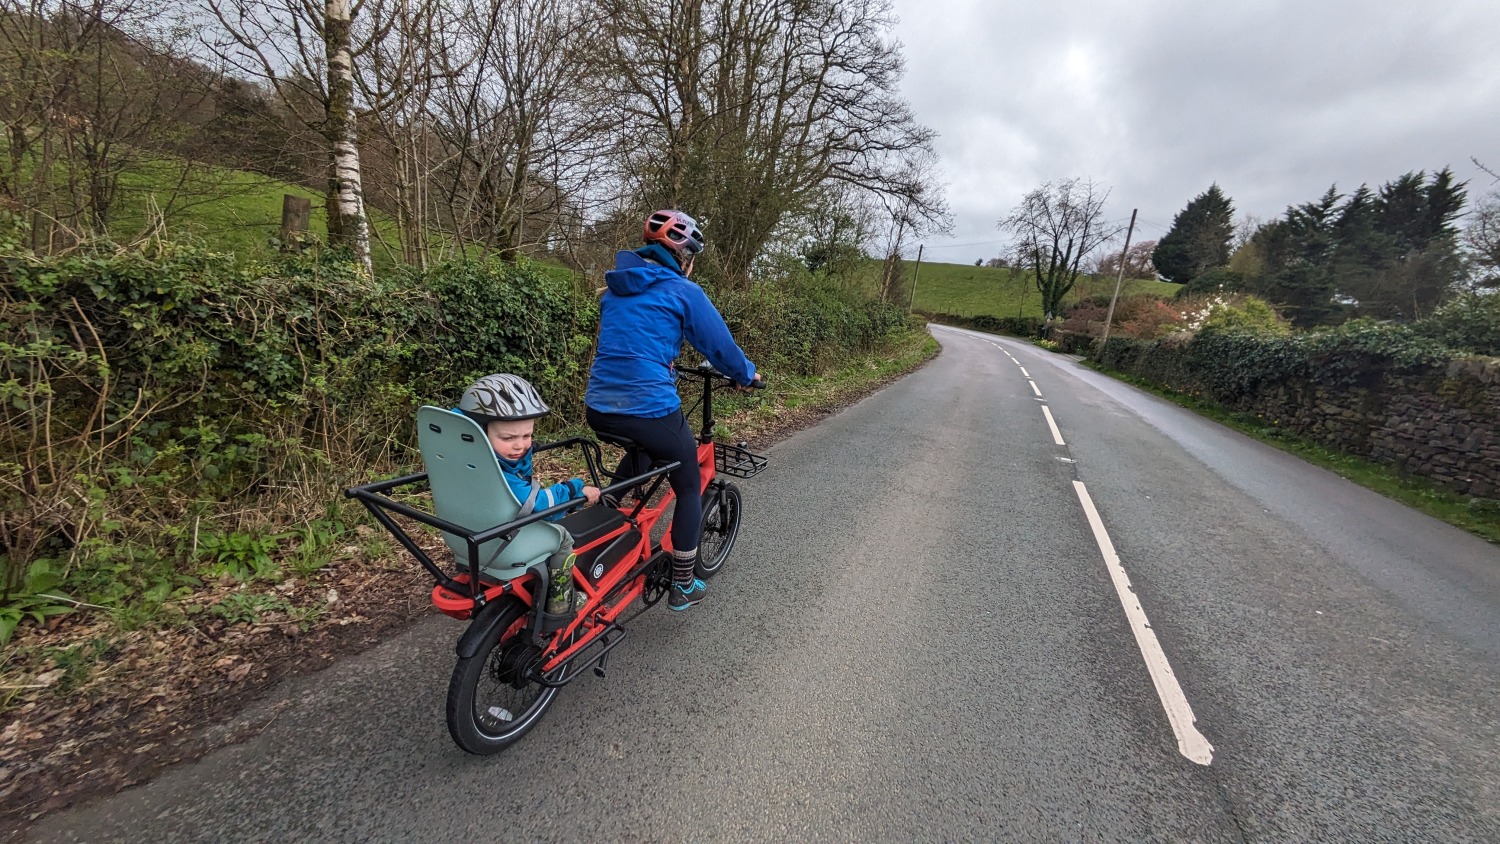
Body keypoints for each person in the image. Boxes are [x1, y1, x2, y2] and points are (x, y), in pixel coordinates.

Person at [585, 209, 760, 612]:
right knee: (686, 486)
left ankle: (601, 522)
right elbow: (719, 347)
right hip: (647, 406)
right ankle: (683, 584)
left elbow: (634, 342)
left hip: (599, 407)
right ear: (687, 259)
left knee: (643, 447)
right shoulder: (684, 292)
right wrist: (745, 375)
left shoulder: (614, 289)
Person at [458, 373, 600, 616]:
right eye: (508, 438)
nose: (520, 446)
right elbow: (539, 504)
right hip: (506, 540)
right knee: (563, 538)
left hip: (468, 534)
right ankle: (561, 602)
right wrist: (576, 488)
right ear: (481, 433)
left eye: (527, 436)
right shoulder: (503, 475)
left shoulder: (464, 460)